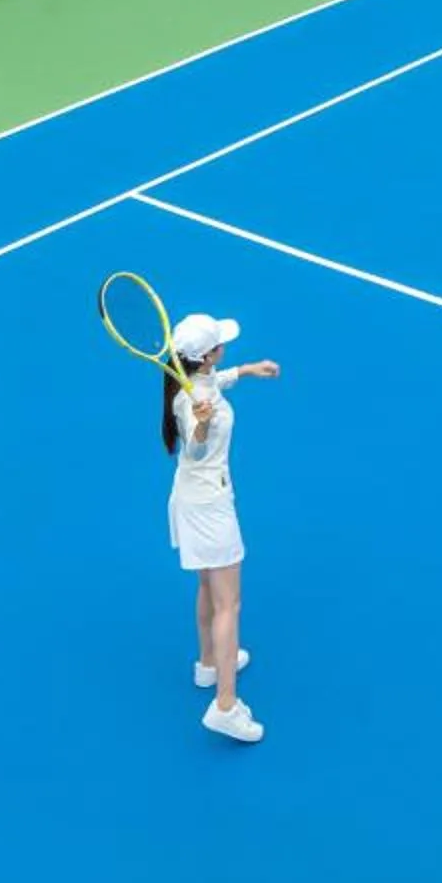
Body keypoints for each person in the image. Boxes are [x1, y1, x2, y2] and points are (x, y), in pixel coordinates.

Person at [162, 311, 279, 743]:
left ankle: (209, 664)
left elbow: (215, 382)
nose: (225, 349)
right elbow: (194, 448)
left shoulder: (191, 382)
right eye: (221, 345)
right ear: (207, 356)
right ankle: (225, 707)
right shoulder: (193, 403)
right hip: (211, 507)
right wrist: (203, 425)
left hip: (191, 501)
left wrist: (245, 372)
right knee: (229, 605)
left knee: (208, 587)